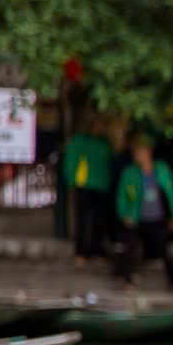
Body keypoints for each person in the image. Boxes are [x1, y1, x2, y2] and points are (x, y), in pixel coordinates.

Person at [113, 139, 173, 289]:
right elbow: (122, 195)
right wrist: (124, 214)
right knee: (130, 249)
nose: (138, 156)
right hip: (137, 217)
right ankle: (127, 279)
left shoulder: (161, 170)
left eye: (141, 152)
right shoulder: (130, 173)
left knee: (164, 250)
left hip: (157, 217)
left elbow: (170, 194)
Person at [64, 113, 113, 268]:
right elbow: (71, 162)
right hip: (84, 184)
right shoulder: (79, 141)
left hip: (101, 185)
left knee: (99, 220)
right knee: (83, 219)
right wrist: (71, 180)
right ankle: (81, 252)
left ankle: (96, 250)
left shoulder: (103, 143)